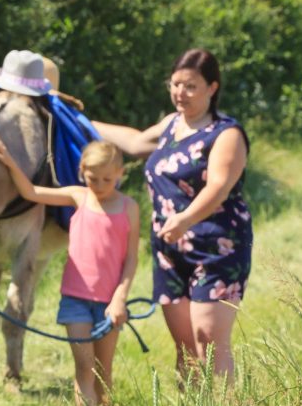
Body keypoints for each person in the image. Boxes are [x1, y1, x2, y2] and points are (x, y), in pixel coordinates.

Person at [92, 49, 251, 384]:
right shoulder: (170, 124)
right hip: (169, 251)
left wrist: (185, 219)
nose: (181, 92)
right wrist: (80, 120)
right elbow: (135, 143)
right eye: (176, 84)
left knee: (208, 337)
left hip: (216, 247)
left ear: (212, 88)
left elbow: (219, 187)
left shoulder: (226, 134)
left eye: (191, 86)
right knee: (185, 347)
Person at [0, 140, 140, 406]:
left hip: (110, 302)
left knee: (103, 371)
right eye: (92, 178)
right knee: (84, 368)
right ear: (82, 170)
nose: (99, 185)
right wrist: (8, 160)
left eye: (108, 179)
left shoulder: (129, 207)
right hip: (75, 299)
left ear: (120, 173)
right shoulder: (79, 196)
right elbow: (31, 191)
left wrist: (120, 298)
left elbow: (132, 258)